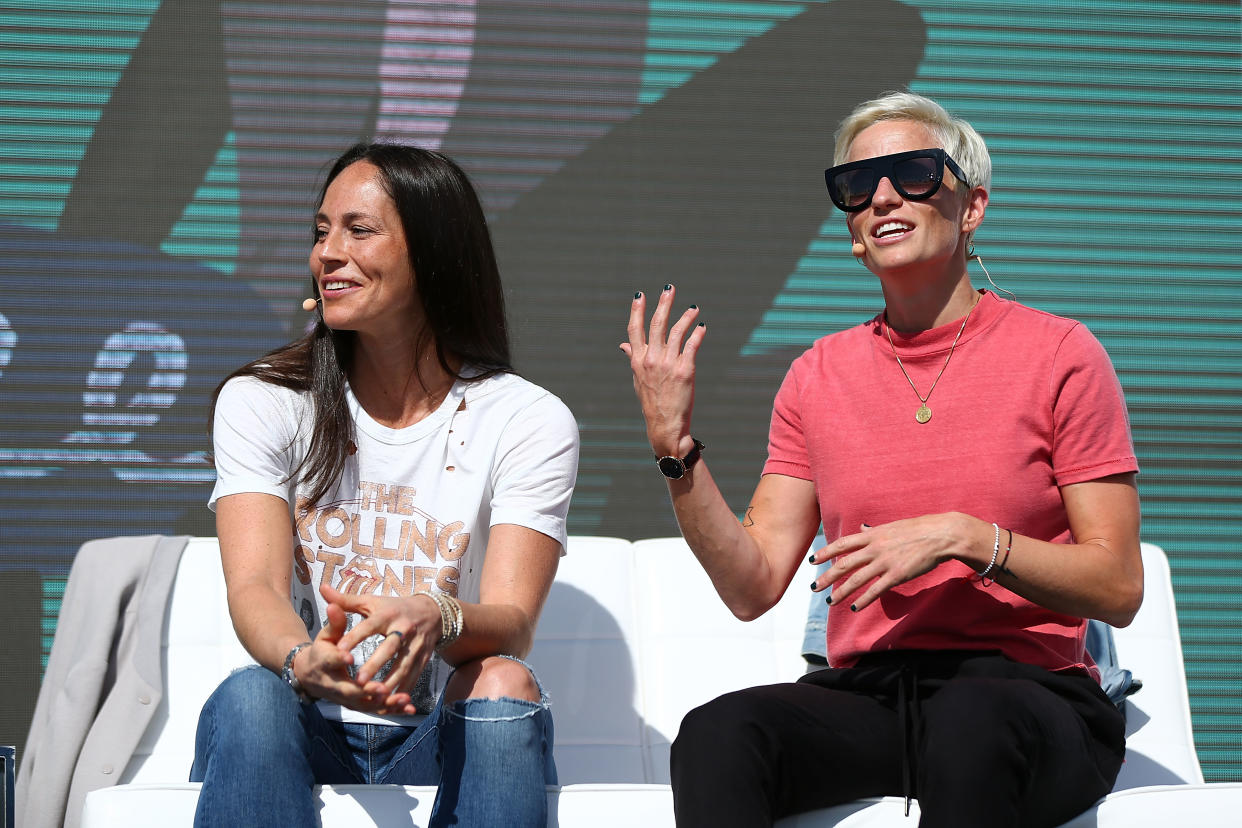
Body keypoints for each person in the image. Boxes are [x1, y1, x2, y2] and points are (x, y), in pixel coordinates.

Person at [621, 91, 1142, 827]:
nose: (884, 197)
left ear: (972, 207)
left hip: (1032, 695)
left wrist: (965, 538)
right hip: (875, 692)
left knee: (970, 721)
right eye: (857, 186)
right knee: (719, 734)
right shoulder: (818, 373)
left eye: (916, 173)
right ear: (853, 232)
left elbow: (1117, 584)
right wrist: (676, 452)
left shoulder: (1060, 354)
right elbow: (752, 583)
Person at [190, 143, 579, 827]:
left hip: (433, 735)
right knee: (254, 695)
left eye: (357, 230)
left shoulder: (527, 418)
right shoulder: (263, 398)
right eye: (321, 231)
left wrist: (438, 615)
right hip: (299, 728)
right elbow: (252, 586)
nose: (327, 252)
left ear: (431, 253)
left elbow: (512, 624)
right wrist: (301, 657)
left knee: (504, 680)